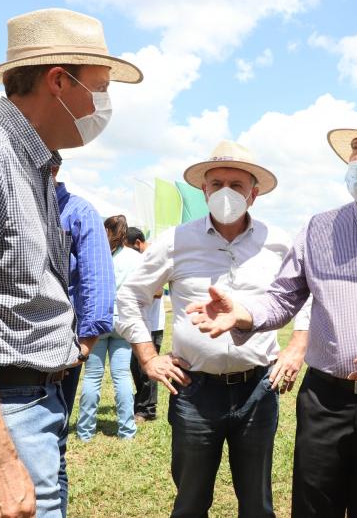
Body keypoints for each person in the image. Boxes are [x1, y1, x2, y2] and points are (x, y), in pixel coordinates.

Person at [0, 8, 142, 517]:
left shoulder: (28, 162)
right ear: (59, 81)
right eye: (100, 88)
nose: (104, 105)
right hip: (5, 406)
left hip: (28, 403)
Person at [186, 110, 357, 518]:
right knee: (313, 509)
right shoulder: (318, 228)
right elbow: (283, 298)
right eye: (355, 147)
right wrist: (242, 314)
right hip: (324, 400)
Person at [116, 140, 311, 518]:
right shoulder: (176, 241)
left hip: (258, 389)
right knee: (190, 502)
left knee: (257, 504)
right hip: (195, 391)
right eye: (217, 184)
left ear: (253, 194)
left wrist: (296, 348)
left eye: (236, 185)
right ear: (204, 190)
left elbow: (304, 296)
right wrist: (149, 357)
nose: (226, 193)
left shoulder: (277, 242)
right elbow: (129, 297)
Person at [52, 162, 115, 503]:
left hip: (60, 350)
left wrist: (84, 345)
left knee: (51, 446)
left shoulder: (78, 212)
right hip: (5, 349)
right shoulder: (15, 204)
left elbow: (98, 280)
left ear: (52, 169)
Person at [75, 215, 138, 441]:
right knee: (122, 376)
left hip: (97, 320)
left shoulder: (95, 253)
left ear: (107, 230)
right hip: (124, 320)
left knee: (92, 377)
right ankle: (127, 431)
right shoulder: (135, 257)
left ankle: (85, 432)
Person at [124, 226, 166, 422]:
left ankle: (148, 409)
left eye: (129, 248)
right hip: (140, 322)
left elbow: (158, 291)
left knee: (148, 368)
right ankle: (141, 402)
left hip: (153, 323)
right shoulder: (139, 259)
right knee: (136, 366)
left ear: (138, 243)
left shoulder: (153, 257)